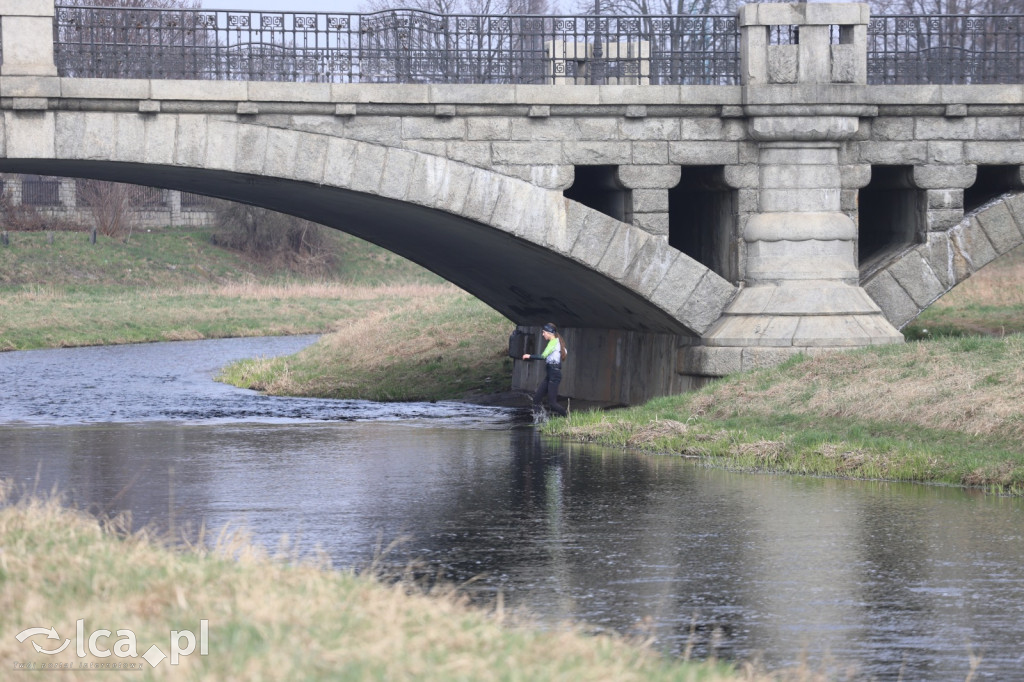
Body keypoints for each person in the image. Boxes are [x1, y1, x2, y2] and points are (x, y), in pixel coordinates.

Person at [522, 322, 568, 418]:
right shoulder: (556, 342)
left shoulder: (553, 342)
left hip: (554, 375)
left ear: (549, 333)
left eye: (544, 332)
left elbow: (543, 356)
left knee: (552, 403)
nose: (543, 334)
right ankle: (540, 420)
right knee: (536, 399)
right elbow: (564, 352)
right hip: (550, 375)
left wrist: (529, 356)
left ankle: (567, 417)